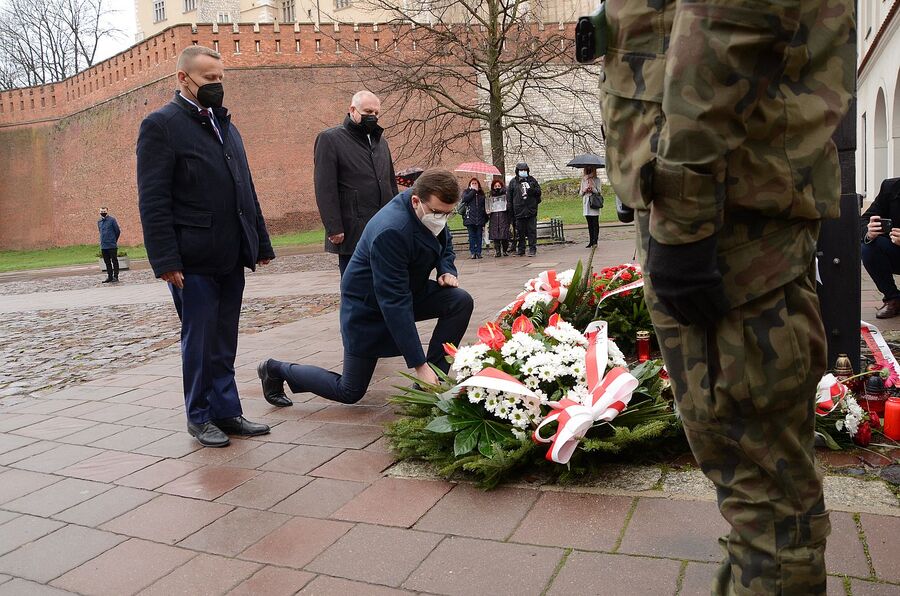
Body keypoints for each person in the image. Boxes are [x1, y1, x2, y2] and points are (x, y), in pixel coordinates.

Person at [601, 1, 854, 594]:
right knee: (754, 493)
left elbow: (727, 24)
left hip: (728, 228)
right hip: (724, 214)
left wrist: (685, 219)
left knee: (767, 503)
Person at [137, 46, 277, 448]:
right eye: (209, 79)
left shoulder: (226, 124)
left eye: (220, 78)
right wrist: (165, 259)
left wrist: (260, 241)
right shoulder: (160, 126)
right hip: (192, 258)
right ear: (183, 79)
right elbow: (153, 200)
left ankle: (227, 411)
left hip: (231, 253)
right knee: (198, 340)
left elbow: (244, 188)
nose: (217, 86)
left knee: (224, 337)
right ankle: (199, 416)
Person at [257, 169, 474, 405]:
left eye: (448, 213)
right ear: (415, 200)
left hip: (409, 291)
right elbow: (394, 301)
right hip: (368, 307)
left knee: (459, 301)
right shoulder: (392, 229)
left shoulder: (429, 207)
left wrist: (446, 269)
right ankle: (275, 369)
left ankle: (431, 383)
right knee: (349, 391)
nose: (442, 218)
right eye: (437, 212)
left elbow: (445, 240)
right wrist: (418, 365)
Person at [314, 90, 398, 276]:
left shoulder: (380, 142)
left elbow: (390, 183)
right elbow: (324, 188)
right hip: (353, 227)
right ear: (352, 110)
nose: (373, 117)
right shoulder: (330, 139)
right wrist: (334, 227)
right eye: (368, 112)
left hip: (383, 225)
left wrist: (399, 216)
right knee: (355, 285)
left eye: (376, 113)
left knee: (385, 281)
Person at [861, 177, 900, 318]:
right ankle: (893, 298)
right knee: (870, 246)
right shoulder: (891, 187)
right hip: (896, 252)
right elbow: (864, 220)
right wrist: (868, 231)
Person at [507, 162, 541, 257]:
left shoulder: (532, 180)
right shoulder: (513, 182)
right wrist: (511, 210)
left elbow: (538, 193)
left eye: (525, 170)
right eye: (521, 170)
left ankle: (532, 248)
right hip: (519, 210)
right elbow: (509, 197)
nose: (523, 172)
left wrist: (532, 191)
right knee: (520, 231)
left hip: (530, 210)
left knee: (531, 230)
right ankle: (521, 248)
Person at [460, 177, 488, 259]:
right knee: (471, 236)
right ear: (470, 184)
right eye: (473, 183)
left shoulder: (481, 194)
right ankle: (473, 252)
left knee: (479, 236)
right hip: (470, 218)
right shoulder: (466, 192)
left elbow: (484, 204)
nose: (474, 185)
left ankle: (479, 252)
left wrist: (486, 217)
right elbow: (465, 199)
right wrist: (473, 191)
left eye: (476, 183)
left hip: (479, 218)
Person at [487, 179, 511, 257]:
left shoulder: (506, 195)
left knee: (504, 235)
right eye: (495, 186)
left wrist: (506, 206)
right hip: (494, 217)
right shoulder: (490, 195)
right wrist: (488, 210)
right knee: (495, 236)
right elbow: (488, 206)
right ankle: (497, 251)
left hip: (503, 217)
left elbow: (509, 206)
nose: (497, 187)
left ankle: (504, 250)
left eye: (498, 186)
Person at [97, 207, 121, 283]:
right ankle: (109, 276)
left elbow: (117, 231)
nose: (103, 212)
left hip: (111, 244)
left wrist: (114, 240)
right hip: (103, 245)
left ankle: (115, 276)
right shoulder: (99, 222)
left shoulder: (112, 220)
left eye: (104, 211)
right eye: (101, 211)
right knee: (107, 262)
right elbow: (100, 232)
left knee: (114, 261)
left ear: (107, 211)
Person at [581, 167, 601, 248]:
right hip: (586, 203)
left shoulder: (597, 179)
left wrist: (592, 188)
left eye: (590, 170)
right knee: (589, 224)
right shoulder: (583, 180)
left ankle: (595, 241)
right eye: (587, 170)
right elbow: (580, 193)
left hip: (594, 203)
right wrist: (585, 190)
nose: (589, 171)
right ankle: (591, 241)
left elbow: (599, 191)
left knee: (595, 223)